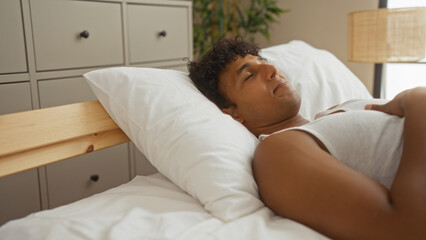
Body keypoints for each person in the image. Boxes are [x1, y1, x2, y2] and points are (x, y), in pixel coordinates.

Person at [187, 36, 426, 240]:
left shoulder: (334, 112)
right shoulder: (278, 150)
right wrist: (417, 101)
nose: (272, 71)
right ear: (233, 113)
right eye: (249, 76)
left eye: (264, 63)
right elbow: (405, 229)